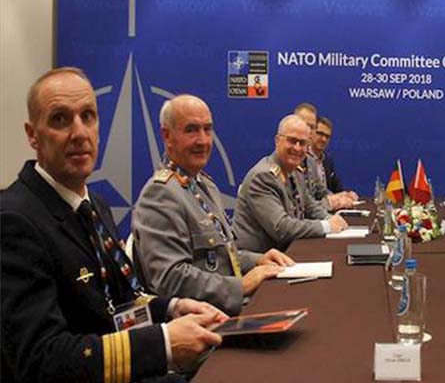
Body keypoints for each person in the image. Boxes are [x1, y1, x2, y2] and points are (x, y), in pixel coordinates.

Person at [1, 67, 227, 383]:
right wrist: (163, 343)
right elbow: (40, 360)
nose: (79, 133)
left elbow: (118, 303)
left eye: (88, 116)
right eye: (60, 119)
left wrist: (172, 309)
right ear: (32, 135)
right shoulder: (14, 220)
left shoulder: (95, 205)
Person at [131, 95, 294, 316]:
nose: (203, 140)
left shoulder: (205, 185)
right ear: (167, 136)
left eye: (207, 130)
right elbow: (169, 279)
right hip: (205, 322)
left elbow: (222, 256)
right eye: (191, 130)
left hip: (230, 307)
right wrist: (241, 286)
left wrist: (258, 260)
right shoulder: (160, 194)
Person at [234, 115, 349, 253]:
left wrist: (331, 218)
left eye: (303, 143)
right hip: (260, 259)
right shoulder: (263, 176)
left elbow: (309, 206)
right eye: (292, 141)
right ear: (277, 141)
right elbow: (281, 228)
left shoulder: (296, 171)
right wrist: (326, 226)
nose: (297, 148)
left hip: (286, 252)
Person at [292, 103, 357, 209]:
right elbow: (302, 207)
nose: (308, 131)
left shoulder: (311, 161)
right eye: (305, 125)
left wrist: (341, 197)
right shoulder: (275, 169)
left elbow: (319, 193)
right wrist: (331, 203)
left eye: (311, 127)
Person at [313, 116, 344, 193]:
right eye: (320, 134)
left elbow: (337, 189)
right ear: (311, 133)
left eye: (327, 136)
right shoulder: (302, 160)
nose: (324, 139)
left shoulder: (328, 162)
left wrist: (346, 195)